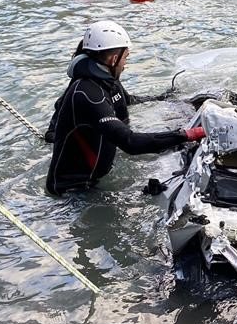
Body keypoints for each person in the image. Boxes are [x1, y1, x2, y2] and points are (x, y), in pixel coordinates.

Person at [45, 21, 206, 195]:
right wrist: (187, 134)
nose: (125, 64)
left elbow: (126, 100)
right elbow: (130, 143)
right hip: (71, 192)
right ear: (114, 59)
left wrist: (166, 98)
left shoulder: (106, 81)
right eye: (126, 57)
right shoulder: (86, 93)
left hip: (95, 180)